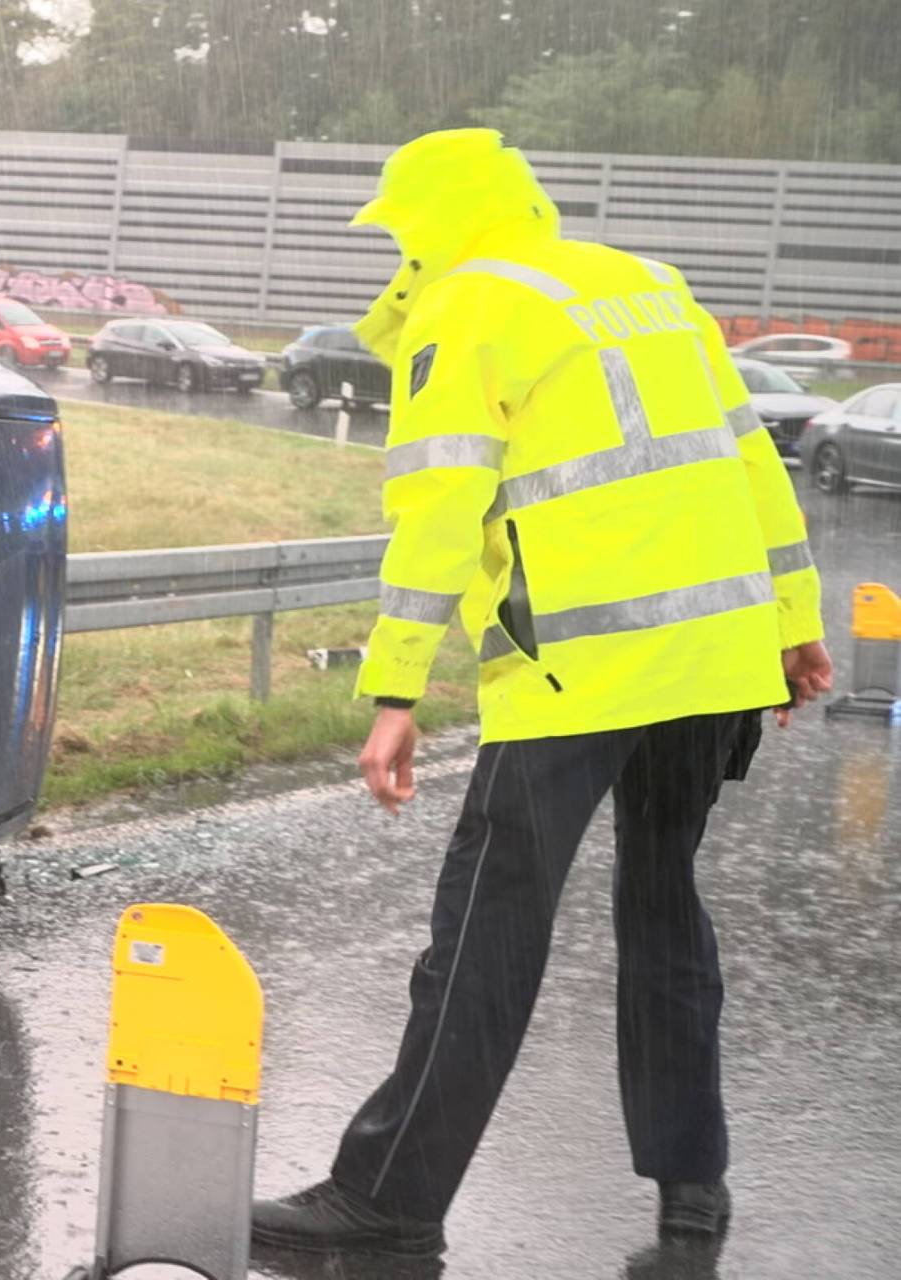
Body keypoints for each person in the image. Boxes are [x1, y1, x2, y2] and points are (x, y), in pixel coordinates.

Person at [251, 129, 837, 1258]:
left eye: (402, 226)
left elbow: (436, 511)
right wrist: (796, 622)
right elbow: (750, 457)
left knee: (486, 931)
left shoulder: (470, 306)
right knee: (665, 908)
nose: (400, 247)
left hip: (581, 667)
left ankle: (388, 1195)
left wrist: (393, 688)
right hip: (711, 660)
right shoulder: (647, 284)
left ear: (440, 221)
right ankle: (692, 1185)